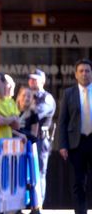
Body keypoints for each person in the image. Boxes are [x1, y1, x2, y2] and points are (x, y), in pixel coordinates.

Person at [59, 59, 92, 214]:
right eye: (81, 71)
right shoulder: (68, 93)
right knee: (78, 182)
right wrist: (63, 145)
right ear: (76, 74)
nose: (84, 74)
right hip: (76, 144)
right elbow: (62, 121)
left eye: (87, 71)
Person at [28, 68, 56, 201]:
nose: (32, 81)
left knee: (38, 171)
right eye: (30, 79)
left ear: (43, 81)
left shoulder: (46, 98)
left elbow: (37, 114)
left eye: (35, 79)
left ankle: (38, 204)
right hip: (26, 138)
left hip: (40, 139)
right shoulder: (26, 95)